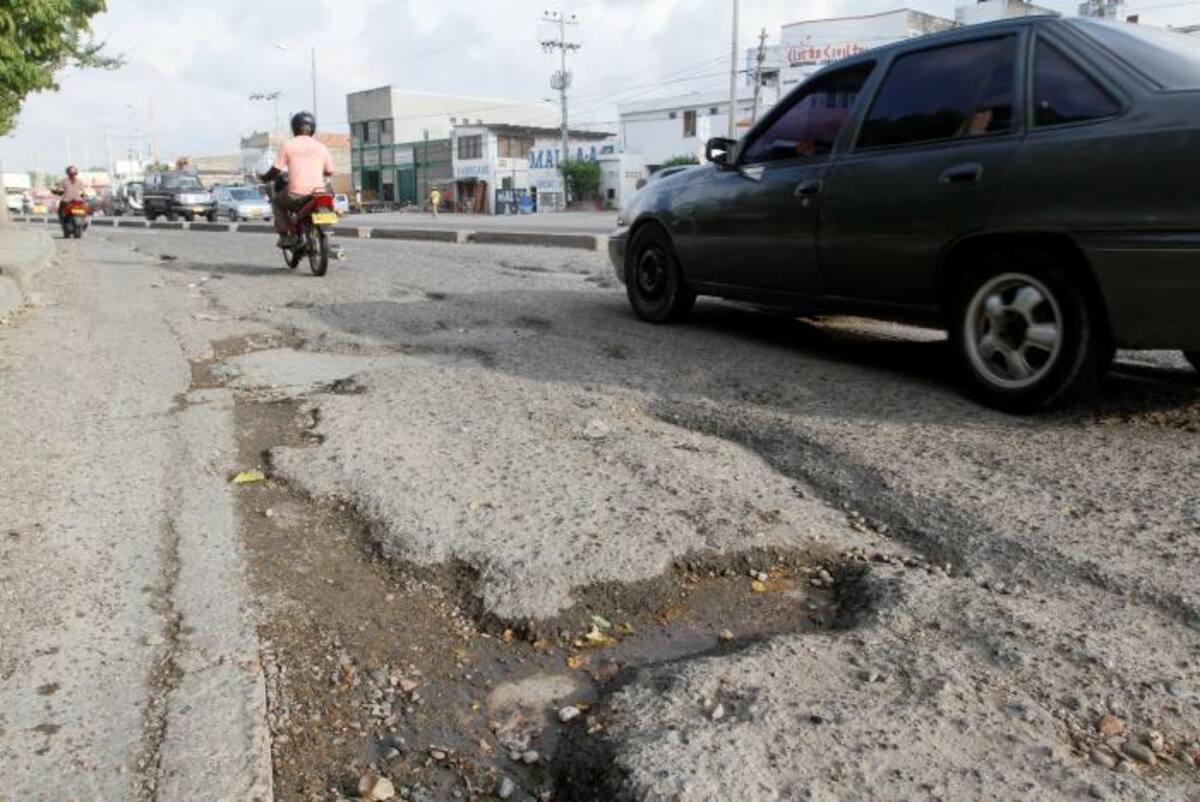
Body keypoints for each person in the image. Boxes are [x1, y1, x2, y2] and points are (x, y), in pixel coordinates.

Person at [258, 111, 334, 248]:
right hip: (318, 193)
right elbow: (329, 171)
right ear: (312, 128)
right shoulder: (322, 147)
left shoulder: (288, 145)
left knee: (277, 202)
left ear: (294, 128)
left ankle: (285, 236)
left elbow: (276, 169)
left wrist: (265, 177)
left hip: (296, 195)